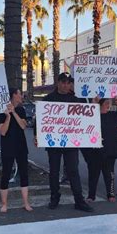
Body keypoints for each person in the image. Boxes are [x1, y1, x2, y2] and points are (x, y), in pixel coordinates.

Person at [34, 73, 93, 212]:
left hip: (71, 143)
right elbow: (40, 119)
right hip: (53, 143)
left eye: (68, 83)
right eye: (64, 82)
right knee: (54, 171)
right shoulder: (48, 99)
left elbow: (88, 117)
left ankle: (79, 200)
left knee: (73, 171)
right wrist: (37, 135)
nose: (66, 85)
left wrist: (95, 102)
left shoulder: (77, 100)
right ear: (58, 83)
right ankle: (54, 198)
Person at [83, 96, 117, 202]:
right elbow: (84, 117)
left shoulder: (112, 115)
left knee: (109, 173)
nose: (109, 105)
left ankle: (110, 194)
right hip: (94, 149)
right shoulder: (93, 115)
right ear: (101, 104)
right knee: (93, 173)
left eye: (110, 103)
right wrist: (93, 103)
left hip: (110, 149)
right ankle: (91, 195)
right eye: (107, 103)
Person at [0, 88, 32, 213]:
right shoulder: (1, 111)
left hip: (21, 146)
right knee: (6, 174)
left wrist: (14, 113)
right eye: (19, 93)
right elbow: (2, 131)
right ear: (13, 95)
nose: (21, 95)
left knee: (24, 174)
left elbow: (23, 125)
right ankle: (4, 204)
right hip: (7, 147)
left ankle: (26, 203)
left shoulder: (21, 109)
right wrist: (8, 117)